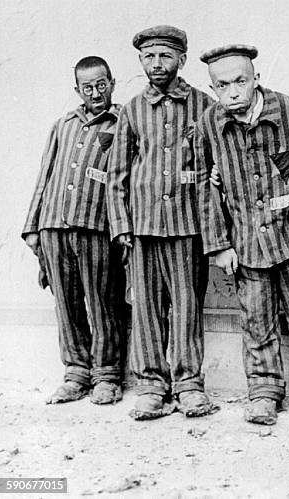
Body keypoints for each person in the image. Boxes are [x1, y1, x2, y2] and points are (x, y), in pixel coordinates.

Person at [197, 44, 289, 425]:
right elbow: (205, 189)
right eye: (223, 86)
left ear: (256, 79)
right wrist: (219, 245)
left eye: (240, 81)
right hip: (245, 242)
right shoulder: (210, 124)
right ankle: (264, 391)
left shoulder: (286, 109)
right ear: (214, 89)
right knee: (256, 320)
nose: (233, 92)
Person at [106, 25, 216, 420]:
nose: (157, 64)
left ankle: (188, 384)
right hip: (143, 227)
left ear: (181, 60)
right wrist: (121, 225)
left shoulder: (204, 104)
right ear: (140, 61)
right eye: (149, 56)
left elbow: (214, 167)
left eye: (165, 56)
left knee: (187, 306)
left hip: (188, 226)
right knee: (147, 308)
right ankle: (151, 385)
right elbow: (117, 173)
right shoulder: (133, 109)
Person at [22, 56, 125, 405]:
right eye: (87, 87)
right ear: (78, 90)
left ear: (111, 82)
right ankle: (76, 373)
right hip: (53, 226)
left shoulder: (124, 122)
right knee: (66, 304)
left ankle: (107, 375)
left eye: (101, 85)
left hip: (96, 227)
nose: (95, 92)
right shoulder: (63, 124)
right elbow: (44, 176)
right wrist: (33, 228)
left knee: (102, 302)